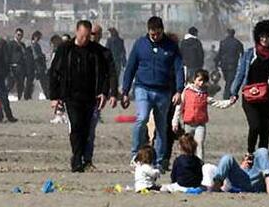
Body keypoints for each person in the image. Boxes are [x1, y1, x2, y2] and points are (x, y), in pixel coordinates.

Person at [121, 16, 184, 171]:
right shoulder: (140, 45)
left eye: (157, 34)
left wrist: (179, 90)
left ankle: (160, 160)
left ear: (162, 30)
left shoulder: (171, 46)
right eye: (152, 34)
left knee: (162, 126)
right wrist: (125, 90)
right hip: (143, 88)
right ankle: (136, 155)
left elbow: (178, 68)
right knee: (141, 118)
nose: (155, 37)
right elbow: (130, 67)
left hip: (164, 91)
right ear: (148, 31)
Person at [48, 20, 110, 173]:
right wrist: (54, 97)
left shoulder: (96, 51)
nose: (85, 40)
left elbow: (105, 73)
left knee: (87, 129)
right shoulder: (65, 49)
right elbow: (53, 73)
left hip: (90, 96)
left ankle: (82, 156)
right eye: (82, 36)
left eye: (88, 37)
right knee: (75, 126)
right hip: (70, 96)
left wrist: (104, 92)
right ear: (77, 32)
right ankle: (76, 159)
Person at [228, 20, 269, 153]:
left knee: (265, 132)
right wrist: (233, 92)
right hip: (250, 98)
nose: (265, 39)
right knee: (255, 126)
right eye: (262, 36)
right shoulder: (250, 54)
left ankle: (262, 159)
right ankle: (249, 153)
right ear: (257, 37)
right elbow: (240, 73)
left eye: (267, 36)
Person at [82, 22, 118, 171]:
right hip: (78, 96)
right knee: (77, 130)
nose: (93, 37)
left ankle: (87, 160)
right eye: (91, 34)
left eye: (96, 34)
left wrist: (113, 93)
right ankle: (78, 157)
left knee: (90, 130)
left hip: (96, 96)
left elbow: (111, 74)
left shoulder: (104, 53)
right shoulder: (78, 50)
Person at [172, 69, 229, 160]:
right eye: (199, 80)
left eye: (204, 81)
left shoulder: (205, 95)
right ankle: (187, 163)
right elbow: (179, 107)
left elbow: (217, 103)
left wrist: (230, 102)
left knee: (199, 144)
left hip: (200, 125)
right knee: (187, 146)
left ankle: (200, 164)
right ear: (194, 79)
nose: (201, 83)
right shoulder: (186, 92)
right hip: (188, 124)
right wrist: (175, 121)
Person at [205, 148, 269, 195]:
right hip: (241, 179)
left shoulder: (259, 164)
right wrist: (242, 166)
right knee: (227, 158)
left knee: (262, 151)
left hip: (261, 180)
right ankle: (217, 185)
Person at [215, 29, 244, 100]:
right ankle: (227, 95)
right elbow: (242, 54)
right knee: (229, 81)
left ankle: (227, 95)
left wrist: (216, 63)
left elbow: (219, 53)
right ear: (234, 34)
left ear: (227, 33)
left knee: (227, 80)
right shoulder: (238, 43)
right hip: (233, 64)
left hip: (223, 65)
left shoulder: (223, 42)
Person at [30, 30, 49, 99]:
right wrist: (42, 56)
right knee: (41, 83)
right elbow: (36, 56)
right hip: (37, 67)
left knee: (42, 83)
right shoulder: (34, 45)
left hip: (39, 67)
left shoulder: (36, 45)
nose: (39, 39)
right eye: (38, 37)